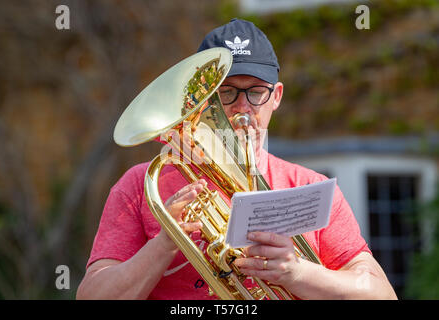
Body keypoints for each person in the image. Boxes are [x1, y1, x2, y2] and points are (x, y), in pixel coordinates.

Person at [77, 18, 397, 300]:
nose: (242, 108)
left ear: (277, 97)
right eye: (226, 91)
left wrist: (298, 273)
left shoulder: (309, 186)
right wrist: (165, 244)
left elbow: (381, 294)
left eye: (256, 92)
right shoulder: (140, 185)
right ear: (199, 101)